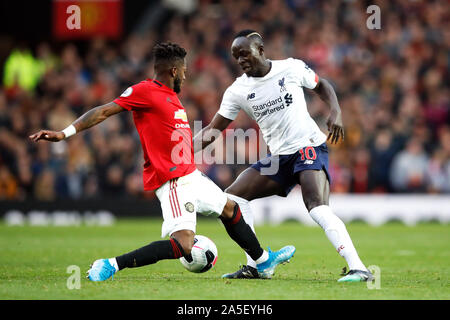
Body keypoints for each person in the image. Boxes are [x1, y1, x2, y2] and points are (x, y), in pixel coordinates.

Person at [29, 42, 295, 281]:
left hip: (190, 175)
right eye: (184, 70)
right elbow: (103, 111)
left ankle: (262, 262)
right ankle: (111, 264)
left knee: (230, 209)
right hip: (173, 180)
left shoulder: (173, 98)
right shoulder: (145, 90)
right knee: (183, 245)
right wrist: (65, 133)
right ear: (175, 72)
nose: (186, 74)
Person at [193, 30, 372, 282]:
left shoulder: (290, 68)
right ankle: (256, 264)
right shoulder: (237, 90)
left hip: (308, 147)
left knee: (316, 207)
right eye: (236, 56)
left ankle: (359, 268)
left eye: (245, 53)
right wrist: (179, 152)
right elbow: (213, 130)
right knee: (232, 198)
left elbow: (322, 85)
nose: (241, 60)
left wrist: (336, 111)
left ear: (261, 50)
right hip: (279, 157)